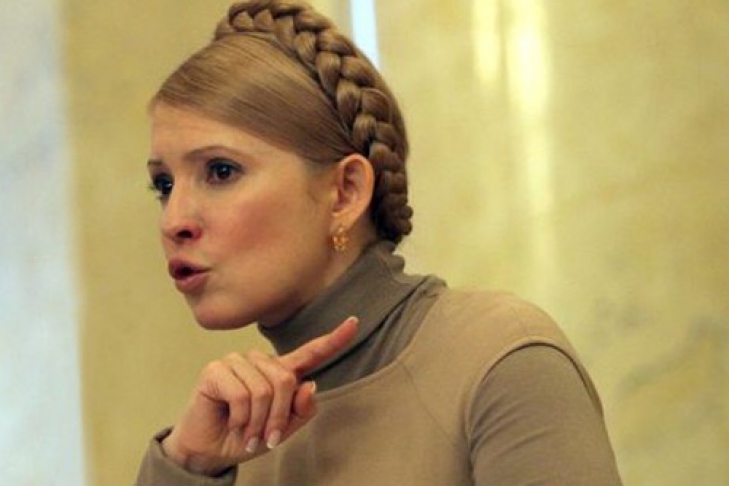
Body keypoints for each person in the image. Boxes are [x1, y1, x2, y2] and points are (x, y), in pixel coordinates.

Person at [135, 1, 623, 485]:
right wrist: (185, 465)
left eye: (221, 171)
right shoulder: (228, 436)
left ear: (346, 192)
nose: (174, 220)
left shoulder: (501, 359)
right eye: (164, 185)